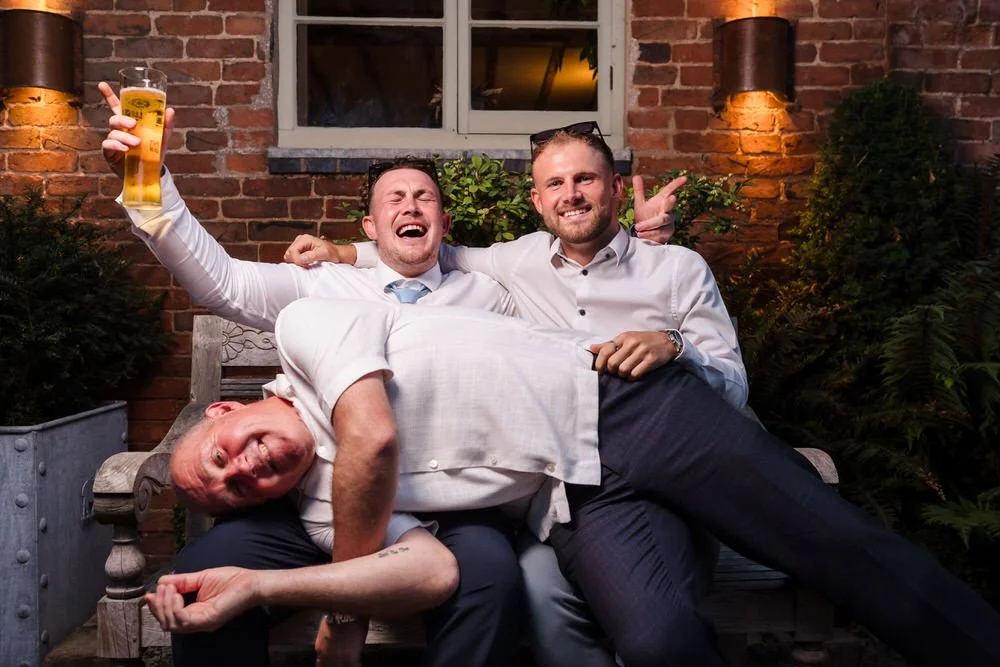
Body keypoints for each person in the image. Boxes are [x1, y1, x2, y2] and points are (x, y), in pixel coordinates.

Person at [98, 81, 685, 667]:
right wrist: (146, 187)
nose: (410, 206)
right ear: (370, 227)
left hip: (452, 505)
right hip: (316, 497)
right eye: (394, 199)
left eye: (424, 198)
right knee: (201, 577)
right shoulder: (320, 283)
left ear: (443, 221)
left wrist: (638, 246)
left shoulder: (490, 294)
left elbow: (574, 332)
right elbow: (220, 281)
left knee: (492, 584)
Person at [149, 296, 1000, 667]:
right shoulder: (320, 513)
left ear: (231, 409)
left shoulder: (306, 331)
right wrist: (266, 580)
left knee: (836, 544)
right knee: (659, 643)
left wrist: (341, 610)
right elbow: (433, 571)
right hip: (577, 499)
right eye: (230, 493)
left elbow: (370, 439)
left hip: (635, 409)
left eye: (223, 454)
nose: (244, 471)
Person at [283, 122, 748, 666]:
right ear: (537, 200)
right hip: (563, 495)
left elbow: (732, 387)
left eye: (585, 179)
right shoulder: (517, 266)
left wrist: (675, 346)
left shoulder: (675, 269)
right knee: (541, 598)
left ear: (616, 188)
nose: (570, 194)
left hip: (661, 480)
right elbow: (429, 252)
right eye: (556, 184)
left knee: (658, 635)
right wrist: (342, 252)